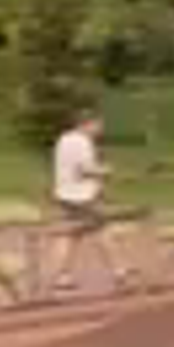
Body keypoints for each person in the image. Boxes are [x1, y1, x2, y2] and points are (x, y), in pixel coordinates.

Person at [47, 107, 114, 284]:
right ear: (87, 124)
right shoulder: (83, 142)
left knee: (67, 235)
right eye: (98, 124)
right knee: (102, 232)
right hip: (82, 197)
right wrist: (104, 171)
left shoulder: (63, 139)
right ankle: (118, 269)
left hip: (63, 194)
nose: (100, 128)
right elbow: (84, 170)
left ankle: (61, 276)